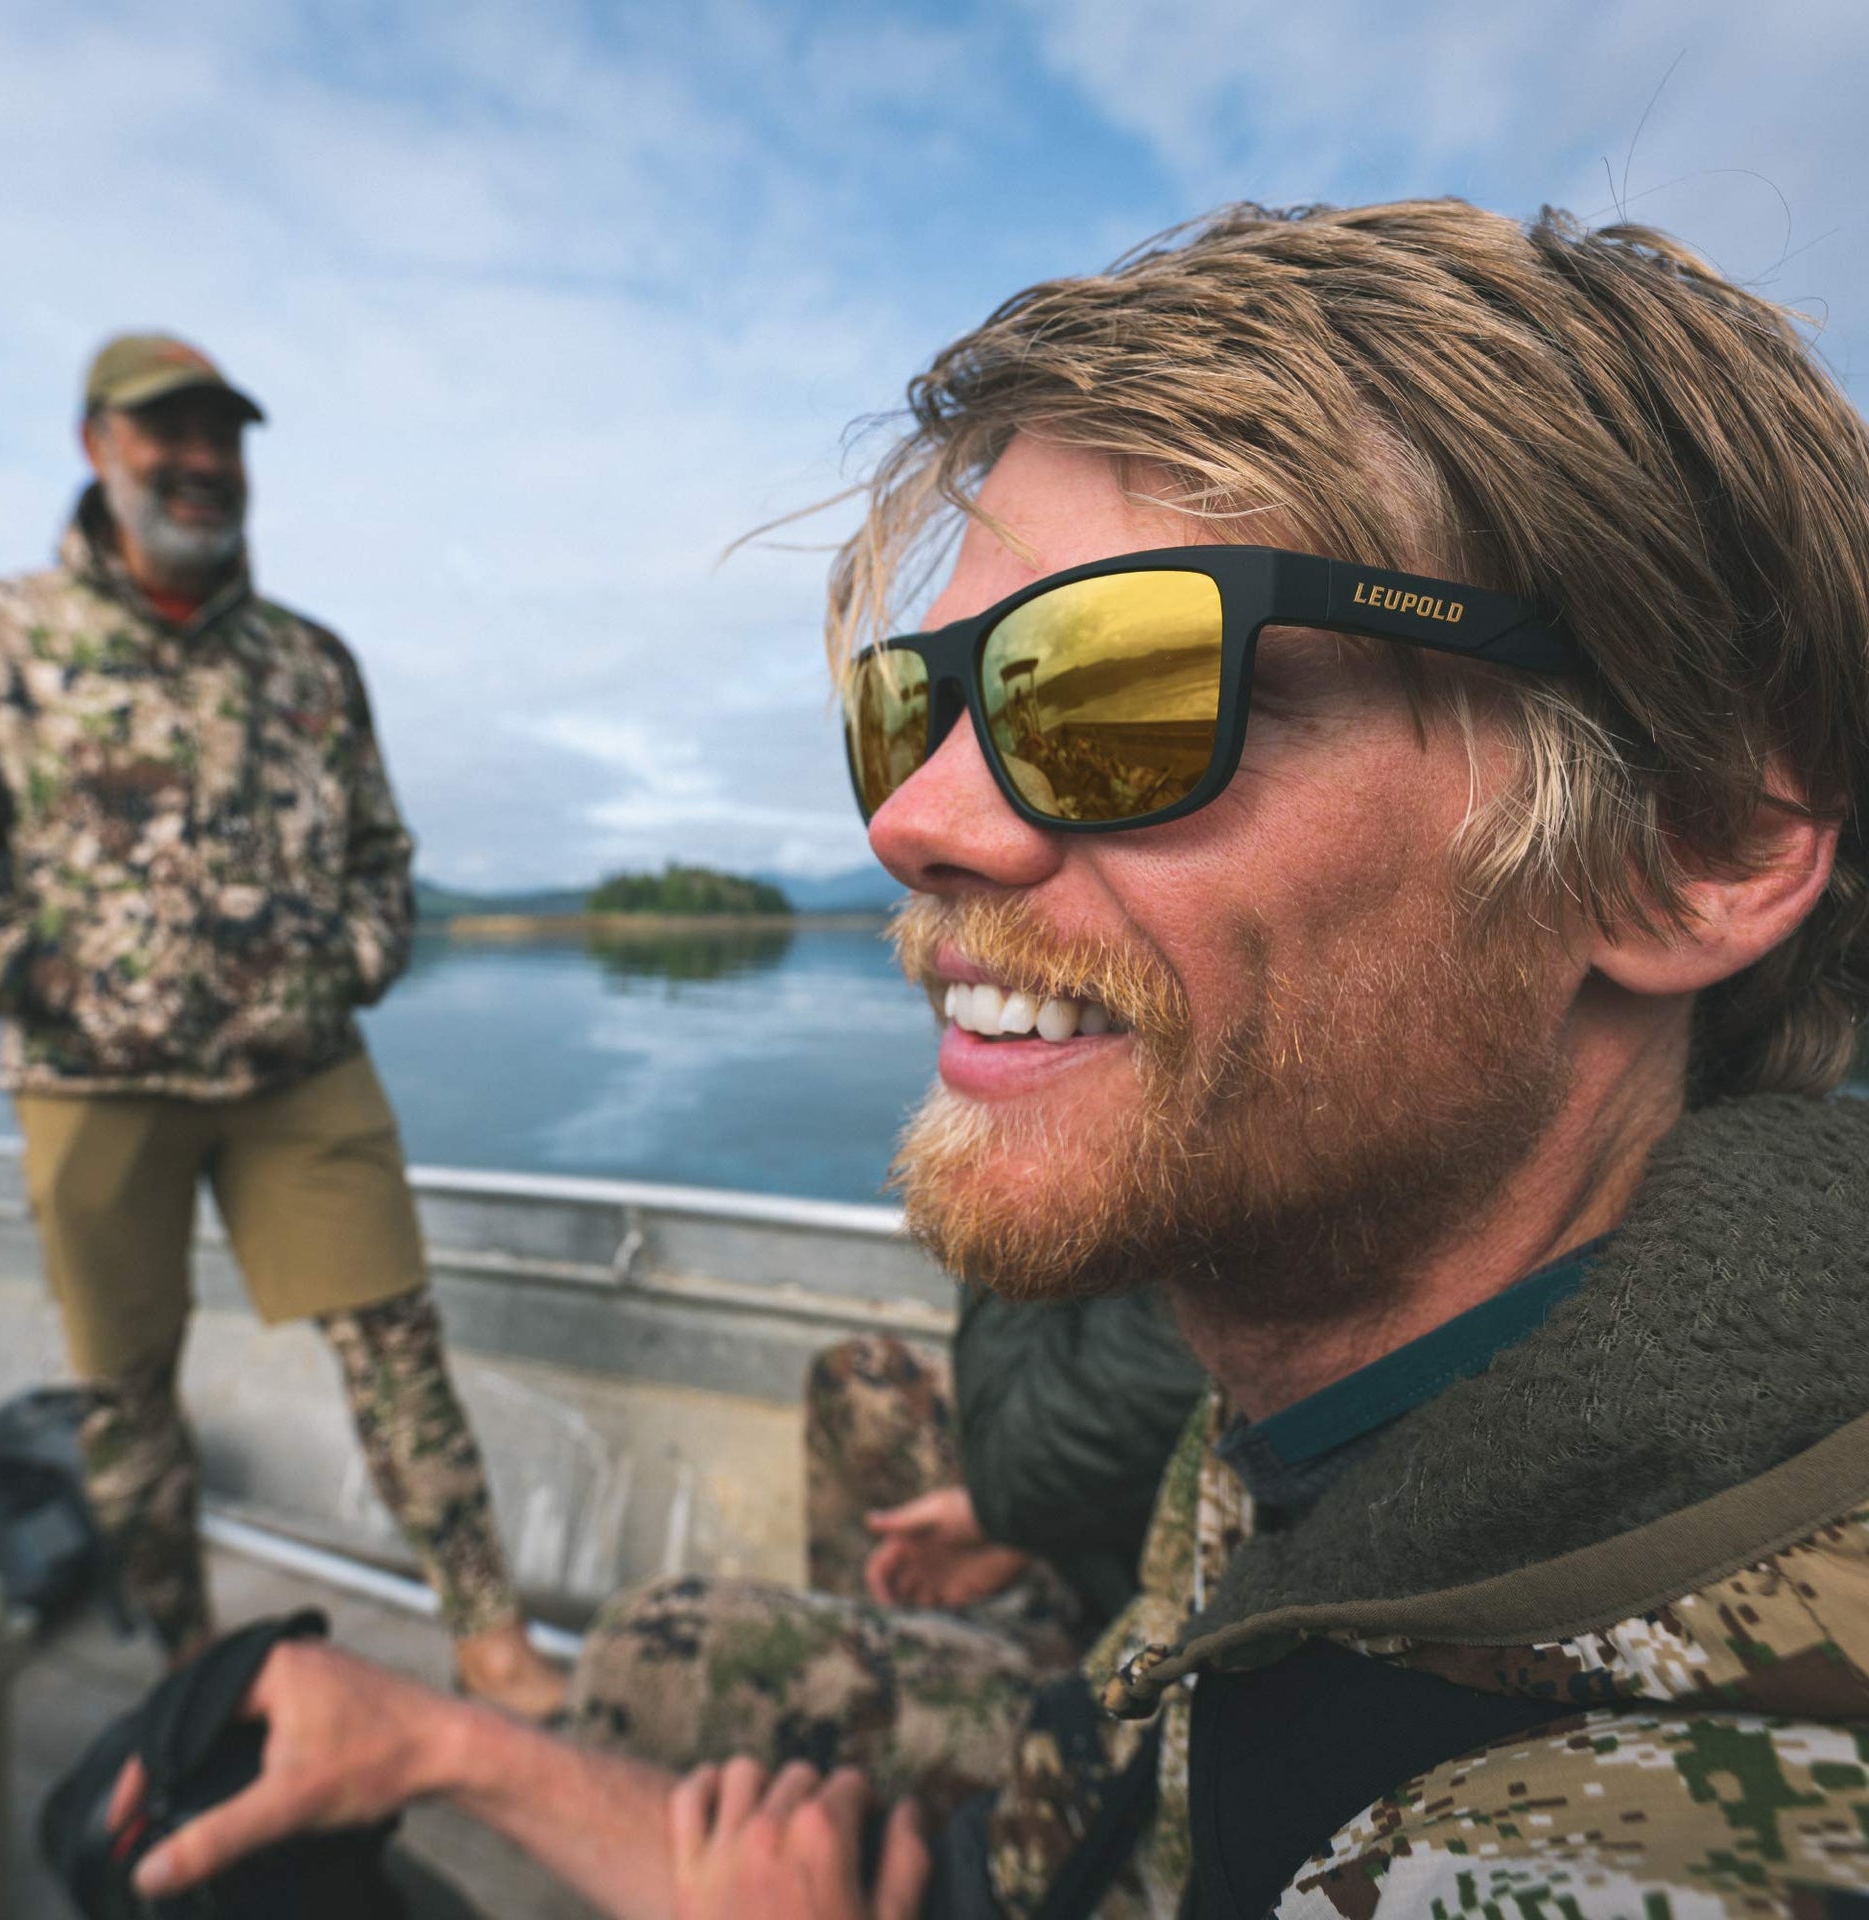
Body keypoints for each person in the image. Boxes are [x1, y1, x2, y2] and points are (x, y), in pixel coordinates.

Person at [101, 198, 1869, 1918]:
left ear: (1698, 839)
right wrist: (444, 1750)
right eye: (914, 705)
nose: (917, 821)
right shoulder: (1329, 1402)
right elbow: (1055, 1861)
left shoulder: (1609, 1844)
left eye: (1125, 687)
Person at [0, 333, 565, 1720]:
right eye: (166, 432)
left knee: (398, 1343)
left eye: (222, 435)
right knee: (125, 1389)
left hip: (300, 1068)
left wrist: (352, 961)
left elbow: (382, 854)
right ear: (97, 445)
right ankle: (186, 1657)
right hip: (91, 1078)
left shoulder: (309, 660)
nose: (200, 461)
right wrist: (40, 969)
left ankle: (489, 1637)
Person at [567, 1297, 1202, 1819]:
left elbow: (1013, 1453)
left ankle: (894, 1749)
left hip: (1161, 1705)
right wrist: (1018, 1525)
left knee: (641, 1652)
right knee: (860, 1380)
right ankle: (865, 1728)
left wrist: (1004, 1508)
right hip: (1145, 1561)